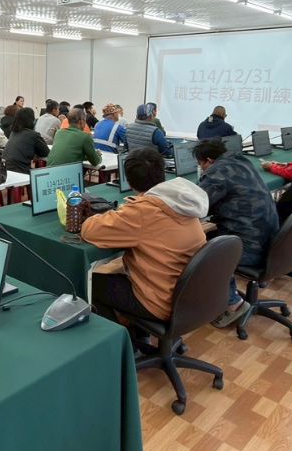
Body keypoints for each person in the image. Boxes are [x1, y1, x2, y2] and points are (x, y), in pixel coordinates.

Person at [81, 148, 208, 322]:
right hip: (191, 295)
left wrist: (112, 214)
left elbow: (89, 231)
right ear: (162, 172)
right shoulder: (181, 199)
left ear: (129, 182)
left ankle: (123, 336)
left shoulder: (142, 212)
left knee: (91, 284)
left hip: (161, 303)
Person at [194, 137, 280, 324]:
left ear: (208, 160)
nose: (201, 168)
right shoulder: (241, 160)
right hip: (271, 240)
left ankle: (233, 304)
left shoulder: (217, 173)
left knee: (203, 254)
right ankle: (222, 291)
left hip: (252, 248)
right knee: (212, 236)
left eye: (200, 164)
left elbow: (198, 207)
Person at [3, 107, 49, 173]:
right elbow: (46, 153)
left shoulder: (13, 132)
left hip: (6, 168)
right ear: (32, 120)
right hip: (22, 170)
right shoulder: (33, 134)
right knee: (45, 162)